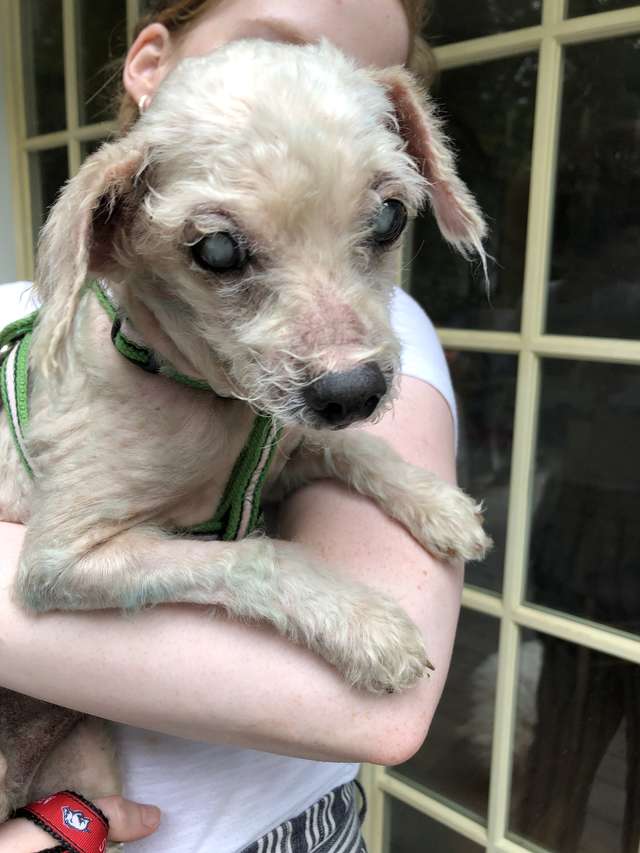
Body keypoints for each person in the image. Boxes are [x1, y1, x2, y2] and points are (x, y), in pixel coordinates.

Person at [0, 1, 466, 850]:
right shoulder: (75, 339)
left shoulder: (382, 345)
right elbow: (57, 562)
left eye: (382, 221)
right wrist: (277, 575)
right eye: (223, 252)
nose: (345, 359)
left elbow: (381, 714)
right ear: (108, 231)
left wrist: (380, 472)